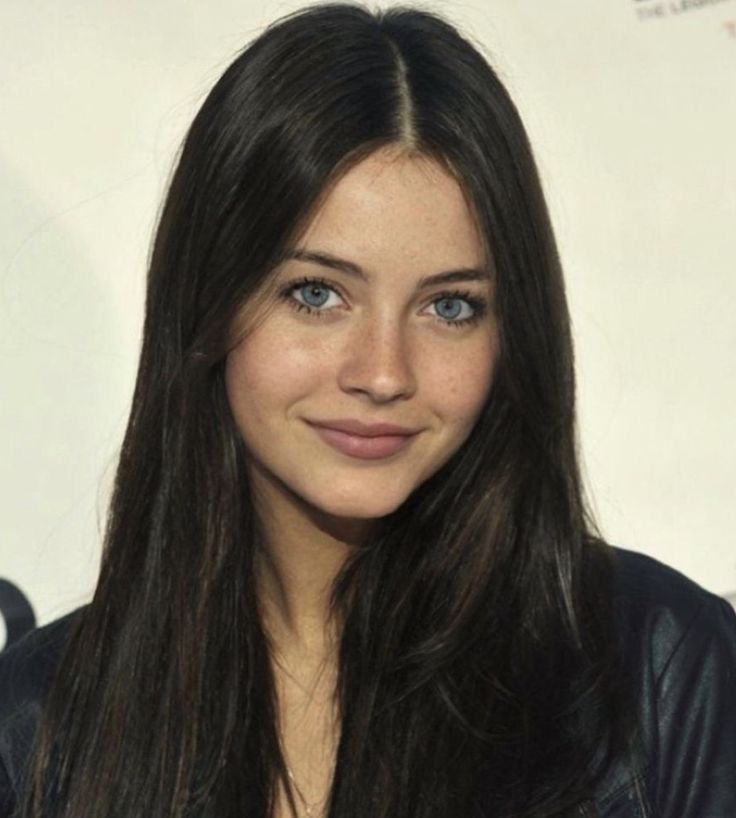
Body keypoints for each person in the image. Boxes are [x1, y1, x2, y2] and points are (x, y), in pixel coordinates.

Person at [1, 3, 735, 817]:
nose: (384, 373)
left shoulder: (657, 668)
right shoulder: (39, 724)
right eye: (317, 295)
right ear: (206, 306)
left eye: (450, 307)